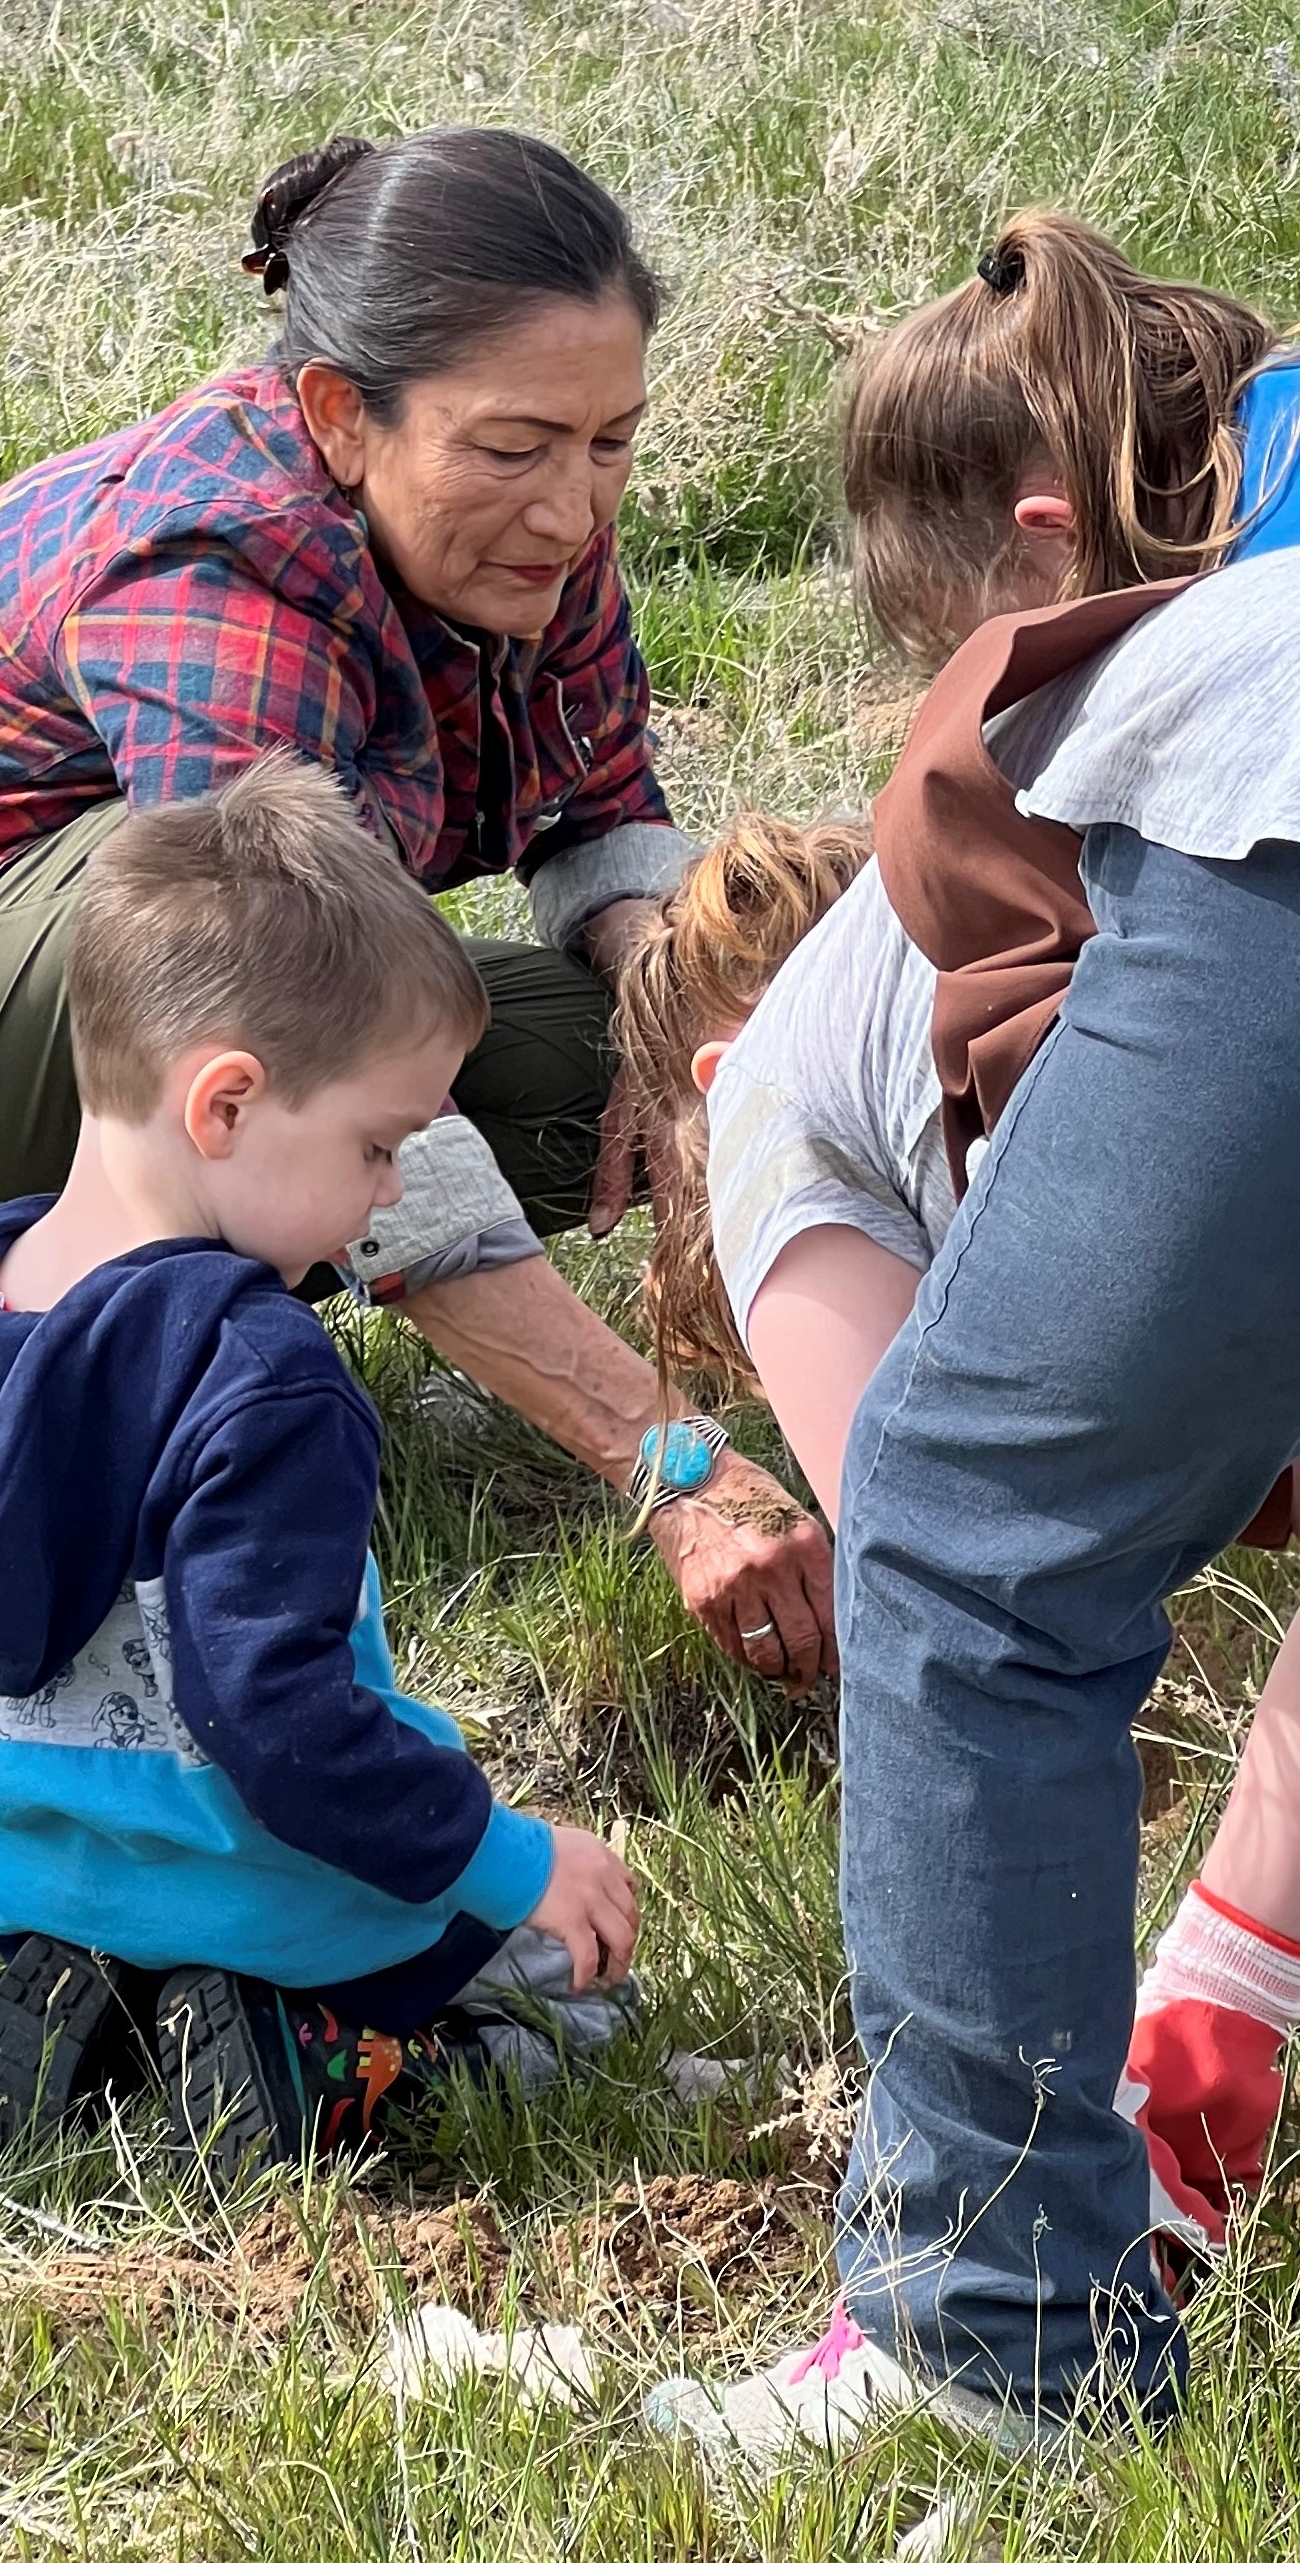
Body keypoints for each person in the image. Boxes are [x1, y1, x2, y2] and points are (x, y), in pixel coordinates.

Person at [0, 127, 833, 1690]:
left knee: (639, 1043)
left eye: (612, 442)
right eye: (519, 448)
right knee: (256, 957)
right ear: (338, 414)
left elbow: (599, 809)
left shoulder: (518, 530)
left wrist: (677, 1034)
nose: (574, 510)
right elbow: (283, 1009)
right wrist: (673, 1463)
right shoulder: (221, 561)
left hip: (96, 992)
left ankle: (124, 1285)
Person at [620, 210, 1300, 2457]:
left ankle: (989, 2338)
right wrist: (1225, 1994)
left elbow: (973, 1608)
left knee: (965, 1551)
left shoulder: (778, 1124)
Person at [0, 758, 646, 2180]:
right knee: (571, 1987)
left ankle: (114, 2000)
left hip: (36, 1876)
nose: (388, 1191)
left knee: (151, 1904)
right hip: (286, 1896)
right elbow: (278, 1721)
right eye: (378, 1146)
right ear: (226, 1106)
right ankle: (334, 2054)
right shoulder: (261, 1377)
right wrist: (513, 1861)